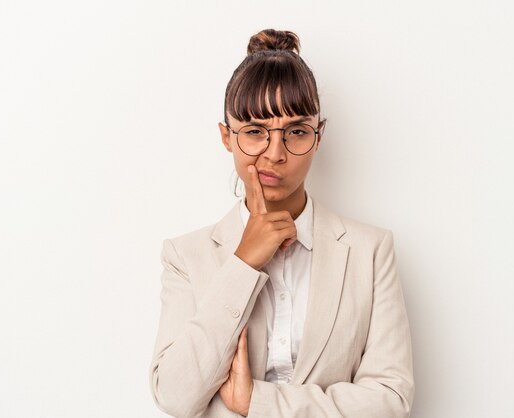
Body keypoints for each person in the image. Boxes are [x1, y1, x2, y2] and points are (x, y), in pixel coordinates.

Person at [149, 28, 414, 418]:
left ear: (319, 135)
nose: (275, 154)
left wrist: (258, 402)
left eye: (296, 132)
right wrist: (243, 263)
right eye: (255, 132)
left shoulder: (370, 251)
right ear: (227, 137)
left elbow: (391, 400)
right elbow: (174, 394)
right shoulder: (185, 257)